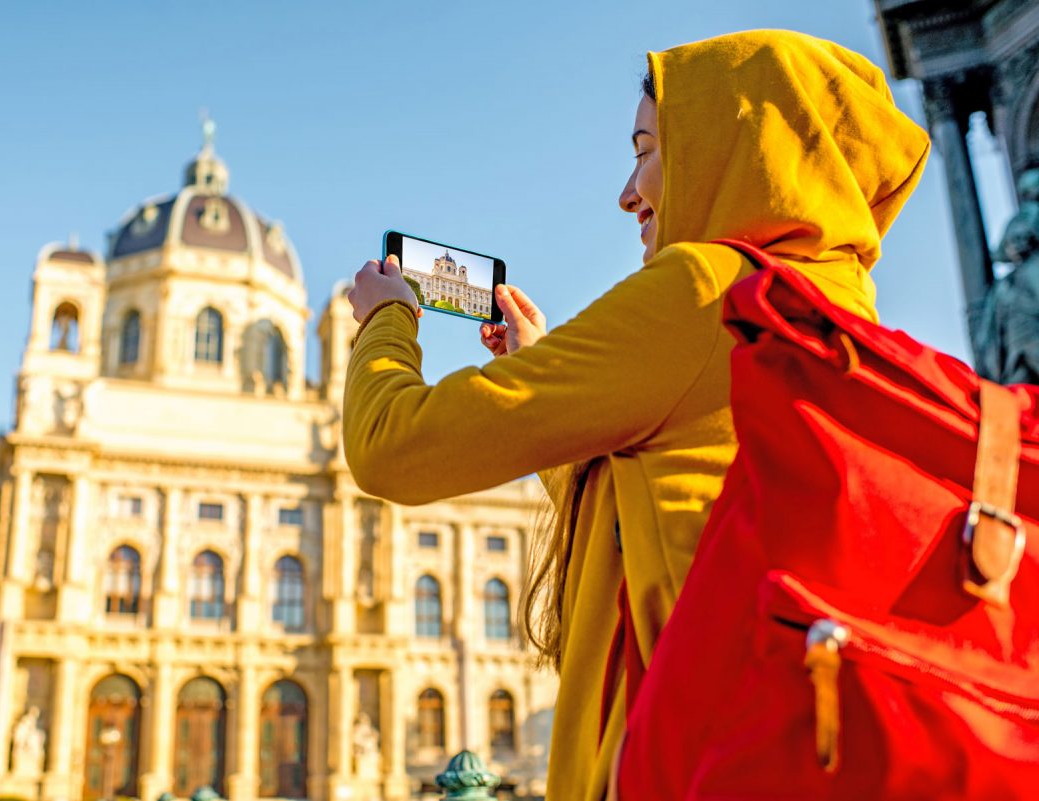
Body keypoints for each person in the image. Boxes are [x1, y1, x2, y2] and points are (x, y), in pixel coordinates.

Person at [343, 29, 929, 801]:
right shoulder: (843, 315)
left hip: (675, 763)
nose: (627, 192)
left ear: (732, 147)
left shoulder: (705, 292)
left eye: (647, 148)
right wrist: (540, 370)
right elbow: (653, 511)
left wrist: (389, 320)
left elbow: (392, 446)